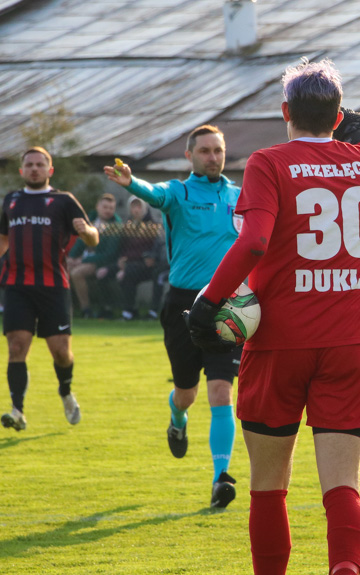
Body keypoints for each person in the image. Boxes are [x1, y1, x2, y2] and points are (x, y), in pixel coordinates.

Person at [185, 59, 360, 575]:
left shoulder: (268, 162)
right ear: (339, 113)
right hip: (353, 340)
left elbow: (255, 240)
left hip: (281, 339)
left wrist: (208, 301)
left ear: (285, 111)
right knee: (342, 485)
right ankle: (345, 567)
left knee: (268, 486)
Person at [103, 125, 243, 507]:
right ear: (190, 156)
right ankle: (177, 419)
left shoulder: (240, 196)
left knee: (221, 391)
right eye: (205, 151)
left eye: (218, 150)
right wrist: (132, 183)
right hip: (183, 303)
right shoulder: (179, 193)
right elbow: (154, 193)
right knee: (187, 394)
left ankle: (220, 479)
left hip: (228, 305)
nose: (212, 157)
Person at [0, 147, 99, 431]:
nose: (34, 169)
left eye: (39, 164)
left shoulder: (63, 200)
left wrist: (86, 231)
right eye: (29, 164)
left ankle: (65, 390)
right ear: (21, 171)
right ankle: (17, 410)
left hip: (53, 286)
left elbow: (93, 239)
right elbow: (3, 238)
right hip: (17, 285)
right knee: (16, 346)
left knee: (61, 352)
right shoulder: (12, 200)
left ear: (49, 170)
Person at [67, 193, 122, 318]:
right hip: (84, 259)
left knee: (76, 273)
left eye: (111, 208)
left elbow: (109, 255)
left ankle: (85, 310)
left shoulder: (115, 227)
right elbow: (80, 242)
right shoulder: (90, 221)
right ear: (98, 206)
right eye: (105, 207)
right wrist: (71, 257)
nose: (108, 210)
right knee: (63, 269)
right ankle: (64, 309)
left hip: (101, 262)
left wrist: (83, 260)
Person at [116, 197, 162, 320]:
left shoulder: (153, 226)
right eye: (133, 206)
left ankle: (149, 312)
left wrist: (152, 257)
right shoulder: (127, 227)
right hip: (130, 265)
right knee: (115, 272)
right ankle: (128, 311)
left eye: (139, 206)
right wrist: (121, 260)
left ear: (145, 208)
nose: (136, 209)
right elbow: (123, 248)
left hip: (150, 266)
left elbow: (157, 247)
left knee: (129, 272)